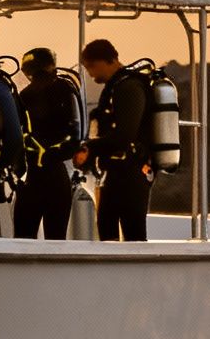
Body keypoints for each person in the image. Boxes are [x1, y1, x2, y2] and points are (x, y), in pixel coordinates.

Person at [71, 38, 150, 241]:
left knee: (134, 235)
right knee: (106, 229)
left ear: (108, 60)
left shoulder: (129, 87)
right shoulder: (116, 87)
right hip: (114, 174)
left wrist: (91, 146)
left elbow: (125, 135)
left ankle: (137, 271)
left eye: (91, 66)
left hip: (131, 173)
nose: (90, 73)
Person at [13, 47, 84, 239]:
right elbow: (75, 136)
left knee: (23, 240)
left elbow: (15, 136)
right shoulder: (66, 89)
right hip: (56, 176)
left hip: (31, 177)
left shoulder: (23, 96)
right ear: (51, 66)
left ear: (28, 72)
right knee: (56, 240)